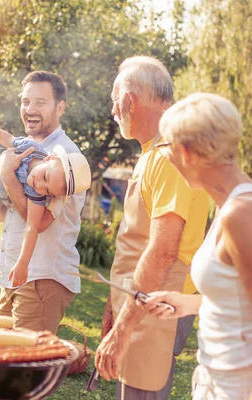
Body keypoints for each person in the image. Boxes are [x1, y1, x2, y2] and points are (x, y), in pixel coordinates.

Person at [139, 93, 252, 399]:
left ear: (185, 153)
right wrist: (186, 303)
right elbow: (245, 298)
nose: (167, 157)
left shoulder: (241, 214)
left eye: (166, 148)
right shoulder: (229, 203)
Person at [94, 56, 210, 399]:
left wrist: (122, 330)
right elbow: (137, 241)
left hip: (157, 308)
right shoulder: (151, 153)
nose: (114, 111)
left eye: (115, 101)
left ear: (129, 101)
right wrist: (114, 306)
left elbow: (162, 251)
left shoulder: (169, 157)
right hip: (137, 303)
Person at [0, 71, 87, 333]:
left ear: (59, 108)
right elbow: (12, 215)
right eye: (25, 101)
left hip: (42, 280)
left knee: (24, 369)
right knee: (3, 360)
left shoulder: (65, 162)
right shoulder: (26, 150)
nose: (29, 109)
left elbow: (37, 222)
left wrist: (7, 176)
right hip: (15, 276)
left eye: (40, 102)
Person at [0, 121, 90, 286]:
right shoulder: (30, 148)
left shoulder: (36, 194)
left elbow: (32, 228)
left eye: (48, 191)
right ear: (49, 158)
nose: (39, 185)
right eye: (45, 177)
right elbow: (6, 138)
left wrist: (22, 263)